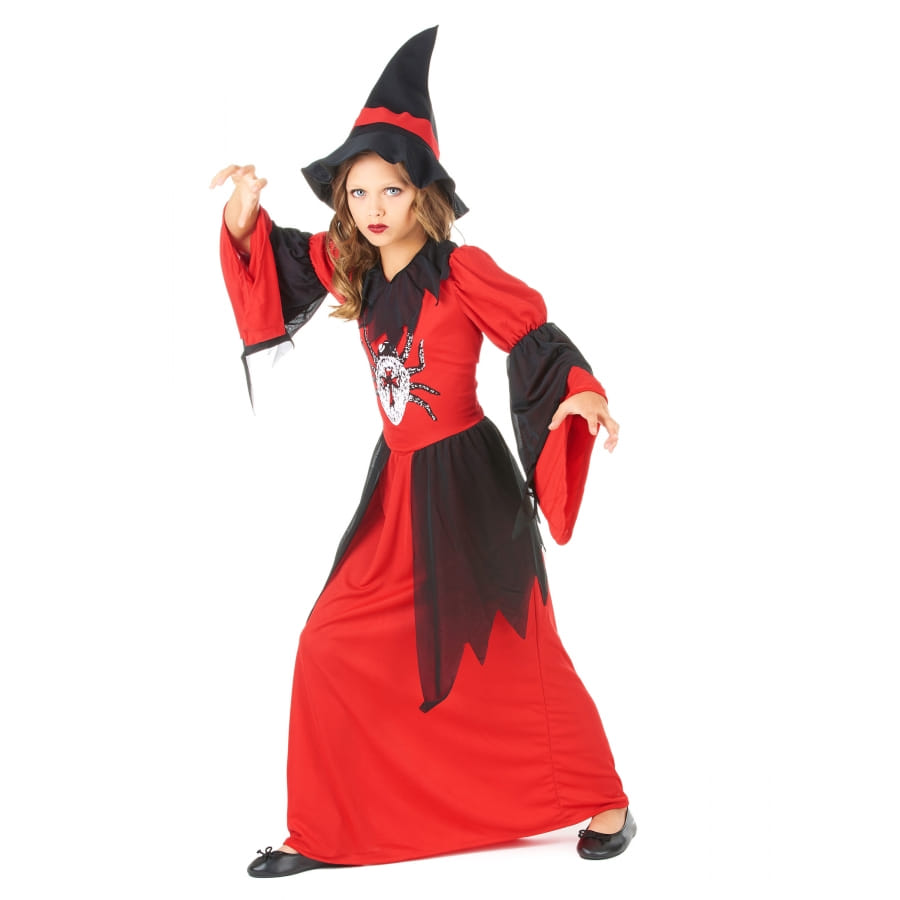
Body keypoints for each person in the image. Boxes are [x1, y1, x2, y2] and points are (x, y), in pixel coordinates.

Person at [209, 26, 636, 879]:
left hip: (467, 482)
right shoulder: (353, 266)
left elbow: (531, 333)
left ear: (421, 195)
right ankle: (325, 826)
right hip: (399, 484)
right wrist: (243, 215)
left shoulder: (460, 270)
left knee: (514, 646)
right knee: (329, 641)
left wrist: (581, 391)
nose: (374, 207)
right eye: (359, 191)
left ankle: (603, 794)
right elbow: (276, 264)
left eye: (392, 190)